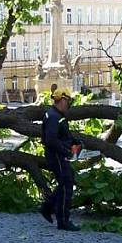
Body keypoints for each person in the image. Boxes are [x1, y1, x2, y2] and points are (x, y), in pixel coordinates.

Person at [39, 88, 82, 231]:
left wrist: (75, 142)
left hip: (59, 154)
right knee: (66, 184)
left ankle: (47, 207)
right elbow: (51, 140)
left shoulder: (57, 115)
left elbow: (64, 135)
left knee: (67, 181)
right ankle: (62, 220)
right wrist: (66, 152)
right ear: (62, 100)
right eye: (68, 101)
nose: (69, 105)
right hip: (56, 155)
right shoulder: (53, 117)